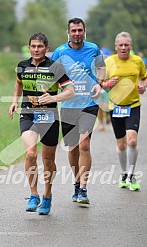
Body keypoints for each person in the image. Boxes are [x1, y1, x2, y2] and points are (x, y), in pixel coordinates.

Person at [9, 33, 75, 215]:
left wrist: (53, 97)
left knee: (48, 160)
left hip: (50, 116)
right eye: (33, 46)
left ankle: (47, 196)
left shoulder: (55, 67)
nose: (36, 49)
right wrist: (14, 101)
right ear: (29, 47)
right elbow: (18, 84)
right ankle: (33, 195)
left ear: (46, 48)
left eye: (40, 46)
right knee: (30, 153)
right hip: (28, 114)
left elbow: (71, 92)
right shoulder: (22, 65)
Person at [51, 17, 105, 204]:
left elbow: (101, 68)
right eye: (73, 31)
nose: (77, 34)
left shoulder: (93, 48)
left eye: (80, 30)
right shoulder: (59, 51)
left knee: (84, 145)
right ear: (68, 32)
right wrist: (58, 87)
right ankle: (76, 181)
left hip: (89, 103)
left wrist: (99, 84)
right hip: (68, 106)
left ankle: (83, 188)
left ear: (84, 31)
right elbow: (51, 73)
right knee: (73, 149)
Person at [101, 31, 147, 191]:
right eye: (120, 45)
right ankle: (122, 173)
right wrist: (108, 84)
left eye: (126, 45)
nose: (123, 47)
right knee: (121, 145)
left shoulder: (137, 61)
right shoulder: (109, 61)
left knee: (132, 140)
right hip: (116, 107)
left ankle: (131, 174)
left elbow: (144, 76)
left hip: (133, 105)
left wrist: (143, 86)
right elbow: (100, 82)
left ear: (131, 46)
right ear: (116, 47)